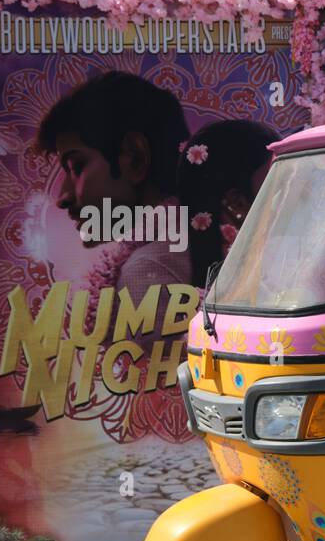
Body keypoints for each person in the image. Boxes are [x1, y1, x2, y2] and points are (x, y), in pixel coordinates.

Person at [36, 71, 190, 345]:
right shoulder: (186, 241)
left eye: (76, 167)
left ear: (134, 158)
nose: (62, 196)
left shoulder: (144, 272)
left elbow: (147, 386)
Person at [175, 120, 279, 287]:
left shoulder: (292, 256)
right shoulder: (159, 268)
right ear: (237, 203)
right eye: (279, 182)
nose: (295, 190)